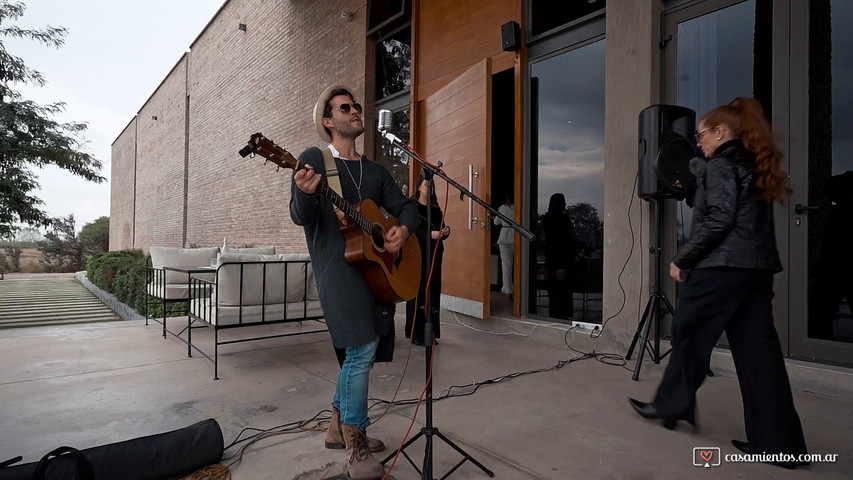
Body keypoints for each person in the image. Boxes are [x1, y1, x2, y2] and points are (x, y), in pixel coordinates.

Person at [628, 97, 808, 469]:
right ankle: (780, 444)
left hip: (722, 267)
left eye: (702, 134)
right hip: (755, 270)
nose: (699, 142)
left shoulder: (722, 164)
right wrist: (696, 177)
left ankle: (671, 404)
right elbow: (720, 206)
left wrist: (683, 257)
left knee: (688, 329)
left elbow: (720, 218)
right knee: (759, 356)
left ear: (721, 132)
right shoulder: (747, 164)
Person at [290, 84, 419, 479]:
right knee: (361, 349)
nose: (355, 111)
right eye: (345, 107)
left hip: (375, 272)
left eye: (357, 106)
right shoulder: (314, 160)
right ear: (328, 121)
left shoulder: (375, 170)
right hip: (337, 269)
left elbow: (407, 207)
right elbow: (302, 217)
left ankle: (335, 425)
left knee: (361, 352)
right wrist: (304, 193)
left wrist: (402, 232)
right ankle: (355, 439)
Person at [405, 174, 450, 346]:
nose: (429, 188)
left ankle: (430, 333)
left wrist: (445, 231)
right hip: (417, 254)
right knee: (418, 292)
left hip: (434, 255)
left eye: (431, 186)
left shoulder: (435, 209)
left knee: (432, 291)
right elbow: (409, 230)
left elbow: (441, 229)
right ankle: (417, 333)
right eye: (426, 185)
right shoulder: (411, 207)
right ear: (418, 187)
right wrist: (430, 235)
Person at [542, 193, 575, 319]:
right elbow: (568, 239)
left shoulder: (547, 219)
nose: (565, 204)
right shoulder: (564, 220)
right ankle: (564, 313)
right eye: (564, 202)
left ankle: (555, 312)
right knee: (563, 287)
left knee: (554, 287)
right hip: (562, 258)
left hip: (552, 257)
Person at [493, 191, 515, 298]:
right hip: (517, 236)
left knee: (506, 265)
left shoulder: (502, 208)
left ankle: (508, 289)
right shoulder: (520, 206)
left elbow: (496, 222)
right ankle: (519, 287)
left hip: (504, 237)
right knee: (519, 265)